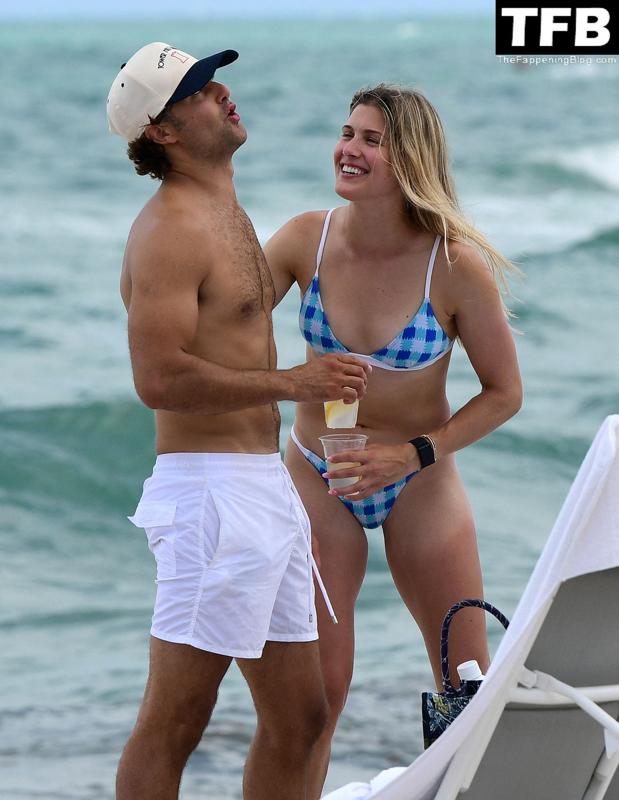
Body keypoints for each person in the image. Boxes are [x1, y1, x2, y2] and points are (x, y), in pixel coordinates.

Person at [106, 42, 371, 800]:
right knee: (177, 722)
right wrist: (293, 382)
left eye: (214, 80)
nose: (221, 93)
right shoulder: (170, 229)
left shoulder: (225, 208)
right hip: (210, 499)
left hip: (259, 490)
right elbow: (157, 378)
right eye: (196, 91)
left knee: (303, 717)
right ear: (161, 131)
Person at [265, 83, 523, 797]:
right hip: (318, 472)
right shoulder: (302, 241)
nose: (348, 149)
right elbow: (222, 329)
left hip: (417, 480)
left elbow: (504, 392)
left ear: (408, 157)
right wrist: (294, 379)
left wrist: (411, 454)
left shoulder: (453, 265)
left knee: (463, 687)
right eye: (347, 133)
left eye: (370, 140)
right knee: (316, 693)